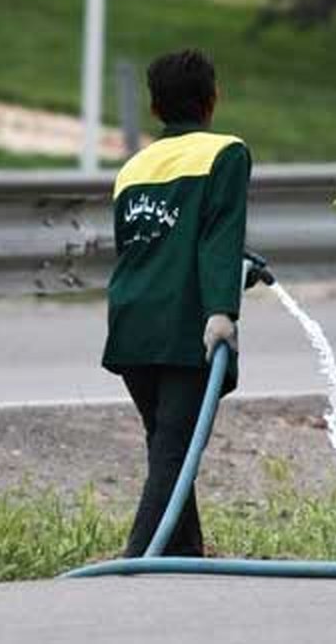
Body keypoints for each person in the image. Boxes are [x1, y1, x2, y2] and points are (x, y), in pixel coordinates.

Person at [102, 49, 249, 558]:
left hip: (130, 325)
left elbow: (149, 248)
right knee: (173, 452)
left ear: (154, 107)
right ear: (213, 99)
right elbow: (217, 235)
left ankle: (185, 554)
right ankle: (137, 561)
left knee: (167, 444)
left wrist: (235, 268)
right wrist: (221, 311)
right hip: (184, 327)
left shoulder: (132, 168)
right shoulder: (226, 153)